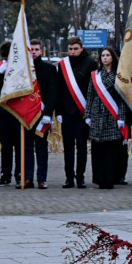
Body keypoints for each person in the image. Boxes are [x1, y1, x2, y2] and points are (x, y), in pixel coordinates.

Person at [57, 35, 99, 188]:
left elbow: (94, 88)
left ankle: (80, 177)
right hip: (67, 111)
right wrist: (59, 111)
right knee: (68, 146)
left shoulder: (90, 63)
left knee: (81, 146)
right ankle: (69, 177)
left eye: (76, 49)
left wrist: (90, 112)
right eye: (70, 49)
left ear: (82, 48)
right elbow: (59, 88)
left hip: (83, 112)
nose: (73, 52)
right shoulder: (64, 65)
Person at [84, 47, 128, 190]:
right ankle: (99, 178)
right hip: (97, 114)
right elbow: (90, 96)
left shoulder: (119, 75)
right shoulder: (95, 75)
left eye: (107, 55)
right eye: (102, 55)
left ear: (113, 57)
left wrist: (121, 116)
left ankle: (111, 178)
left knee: (112, 150)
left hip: (112, 115)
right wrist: (88, 115)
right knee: (98, 149)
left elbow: (122, 99)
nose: (105, 58)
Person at [22, 38, 59, 189]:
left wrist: (48, 114)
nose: (34, 52)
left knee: (41, 147)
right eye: (32, 50)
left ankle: (41, 178)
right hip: (27, 113)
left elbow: (52, 93)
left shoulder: (49, 69)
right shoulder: (24, 70)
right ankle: (28, 177)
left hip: (42, 114)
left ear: (41, 51)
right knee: (27, 147)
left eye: (37, 49)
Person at [0, 42, 21, 186]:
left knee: (19, 145)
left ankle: (20, 173)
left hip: (18, 111)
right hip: (3, 111)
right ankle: (5, 174)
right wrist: (0, 72)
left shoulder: (21, 68)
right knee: (6, 145)